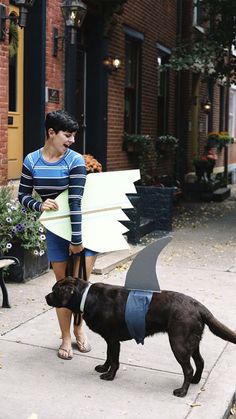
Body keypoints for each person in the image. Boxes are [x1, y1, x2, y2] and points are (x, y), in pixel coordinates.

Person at [18, 109, 97, 360]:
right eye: (67, 135)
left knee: (80, 288)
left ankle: (79, 329)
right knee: (62, 289)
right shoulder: (32, 160)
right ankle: (65, 337)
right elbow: (22, 196)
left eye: (74, 135)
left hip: (83, 230)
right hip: (55, 233)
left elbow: (75, 202)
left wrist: (77, 241)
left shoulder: (74, 161)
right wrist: (38, 205)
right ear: (51, 133)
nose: (72, 140)